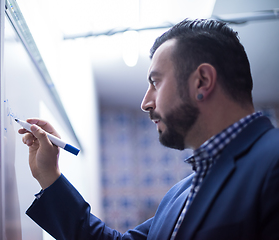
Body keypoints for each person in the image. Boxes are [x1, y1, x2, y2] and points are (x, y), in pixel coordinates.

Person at [19, 19, 279, 240]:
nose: (145, 103)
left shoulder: (273, 163)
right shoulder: (179, 194)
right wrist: (49, 176)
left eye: (156, 82)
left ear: (202, 81)